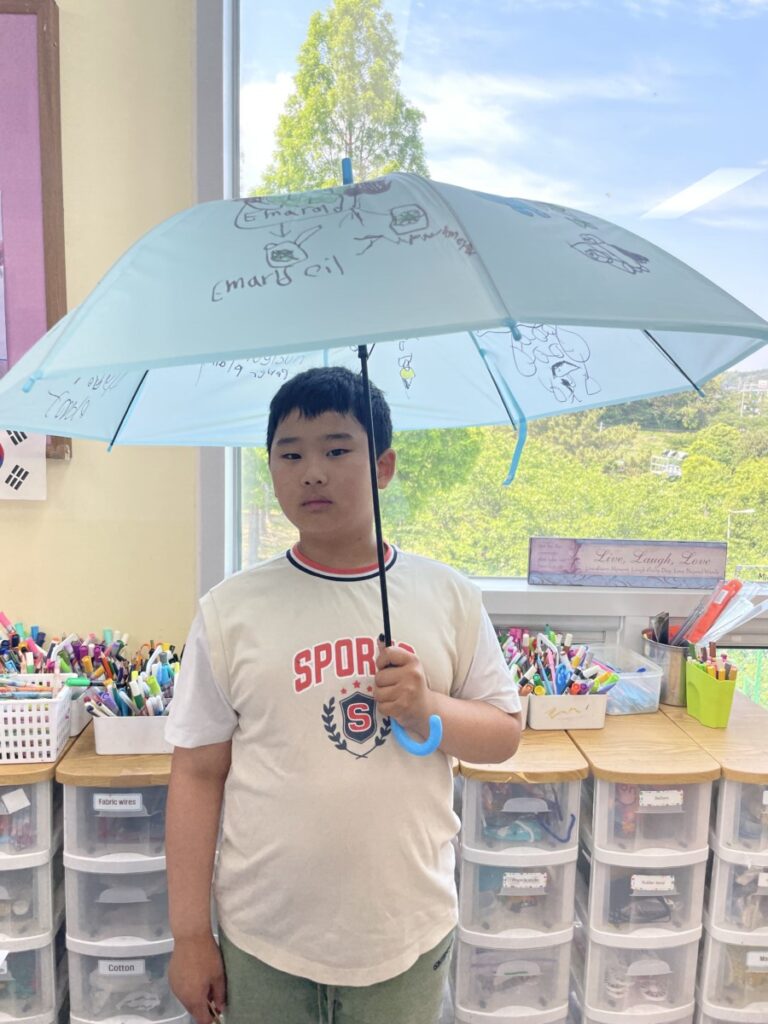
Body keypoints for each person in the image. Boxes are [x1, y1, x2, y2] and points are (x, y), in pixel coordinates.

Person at [165, 366, 522, 1024]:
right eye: (290, 455)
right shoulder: (230, 610)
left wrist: (429, 708)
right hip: (264, 938)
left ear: (383, 467)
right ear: (271, 471)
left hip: (405, 933)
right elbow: (196, 772)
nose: (312, 473)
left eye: (336, 450)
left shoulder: (447, 597)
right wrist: (189, 936)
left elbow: (503, 735)